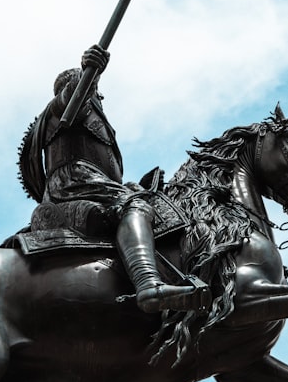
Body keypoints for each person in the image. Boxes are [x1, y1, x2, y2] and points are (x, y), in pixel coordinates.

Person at [20, 44, 208, 314]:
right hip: (75, 188)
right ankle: (148, 285)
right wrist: (89, 71)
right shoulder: (62, 110)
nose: (101, 97)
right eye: (96, 91)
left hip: (96, 186)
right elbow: (72, 95)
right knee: (135, 207)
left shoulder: (87, 115)